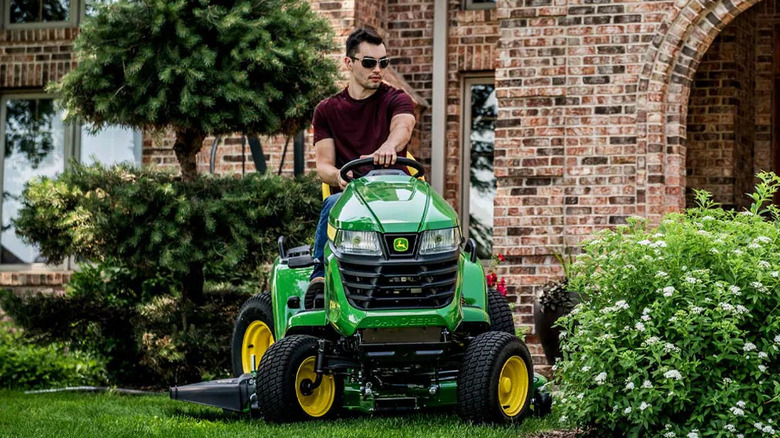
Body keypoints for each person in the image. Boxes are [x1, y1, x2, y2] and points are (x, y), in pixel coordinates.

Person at [306, 27, 416, 305]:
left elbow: (404, 125)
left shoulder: (396, 98)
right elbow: (324, 166)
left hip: (396, 192)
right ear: (349, 63)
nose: (377, 69)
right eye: (369, 63)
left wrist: (390, 146)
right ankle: (320, 277)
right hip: (352, 194)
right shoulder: (327, 111)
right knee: (333, 202)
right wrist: (339, 177)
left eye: (383, 63)